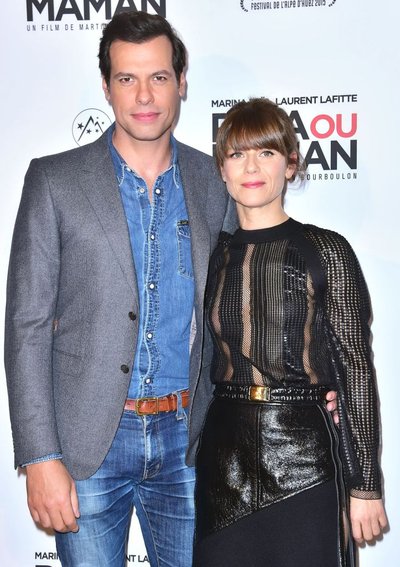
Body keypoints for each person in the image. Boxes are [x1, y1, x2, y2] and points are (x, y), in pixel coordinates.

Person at [4, 12, 338, 567]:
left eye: (158, 77)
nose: (144, 95)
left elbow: (254, 294)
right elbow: (27, 326)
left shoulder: (217, 179)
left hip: (192, 443)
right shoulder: (54, 180)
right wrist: (39, 456)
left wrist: (316, 384)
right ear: (106, 86)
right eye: (127, 78)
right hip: (87, 449)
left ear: (181, 83)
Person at [193, 98, 388, 567]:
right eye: (237, 154)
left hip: (306, 457)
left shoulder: (325, 249)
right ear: (221, 169)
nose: (251, 167)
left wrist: (365, 485)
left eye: (266, 152)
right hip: (223, 459)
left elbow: (355, 368)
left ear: (291, 163)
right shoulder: (210, 255)